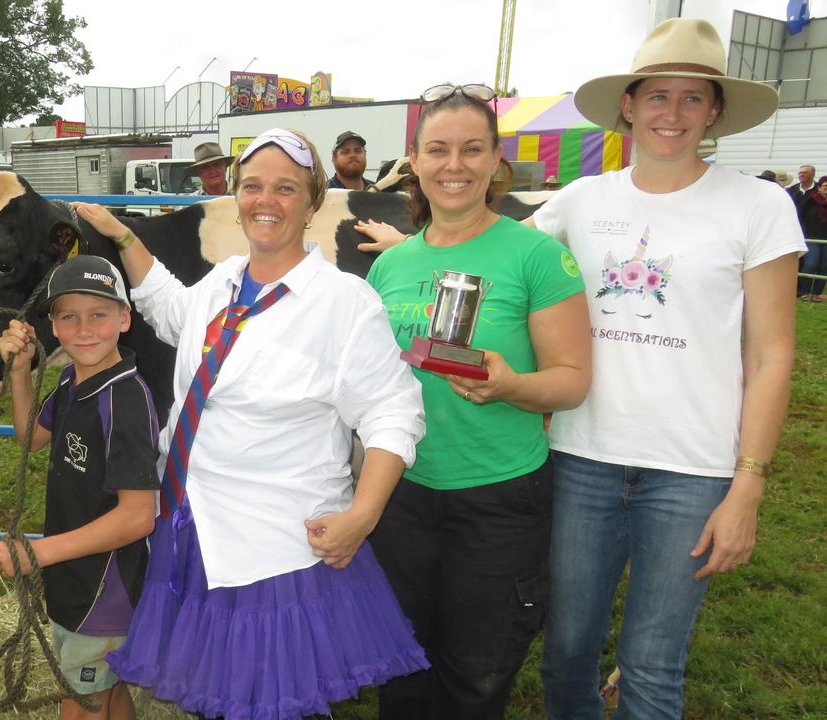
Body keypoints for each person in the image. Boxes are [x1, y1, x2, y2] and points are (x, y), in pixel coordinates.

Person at [72, 127, 430, 720]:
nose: (267, 200)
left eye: (286, 188)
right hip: (193, 526)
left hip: (275, 550)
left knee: (274, 701)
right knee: (219, 701)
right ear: (236, 197)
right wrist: (124, 237)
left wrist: (362, 516)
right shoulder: (224, 280)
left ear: (313, 202)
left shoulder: (344, 302)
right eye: (253, 186)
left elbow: (392, 412)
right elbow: (172, 311)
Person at [526, 18, 804, 719]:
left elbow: (772, 356)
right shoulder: (581, 200)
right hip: (580, 457)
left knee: (651, 666)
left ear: (714, 111)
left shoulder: (759, 205)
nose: (672, 114)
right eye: (657, 96)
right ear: (629, 104)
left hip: (693, 471)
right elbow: (497, 259)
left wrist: (748, 487)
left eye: (691, 98)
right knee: (565, 652)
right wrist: (408, 244)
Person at [356, 81, 591, 719]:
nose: (453, 165)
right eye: (437, 149)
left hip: (498, 501)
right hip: (400, 493)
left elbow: (572, 380)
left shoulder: (537, 254)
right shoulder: (389, 266)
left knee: (475, 679)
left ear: (494, 161)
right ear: (415, 160)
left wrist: (511, 385)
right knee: (400, 667)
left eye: (470, 149)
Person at [0, 255, 159, 720]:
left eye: (99, 314)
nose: (84, 329)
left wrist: (41, 553)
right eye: (69, 316)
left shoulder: (123, 398)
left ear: (124, 319)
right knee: (109, 694)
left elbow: (137, 516)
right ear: (53, 325)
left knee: (81, 705)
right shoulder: (73, 379)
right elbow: (31, 435)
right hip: (77, 576)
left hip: (103, 591)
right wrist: (20, 371)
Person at [799, 174, 827, 300]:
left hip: (825, 239)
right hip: (811, 238)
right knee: (811, 264)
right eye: (825, 186)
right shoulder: (811, 200)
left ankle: (816, 293)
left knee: (824, 266)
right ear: (819, 187)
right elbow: (800, 216)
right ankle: (804, 291)